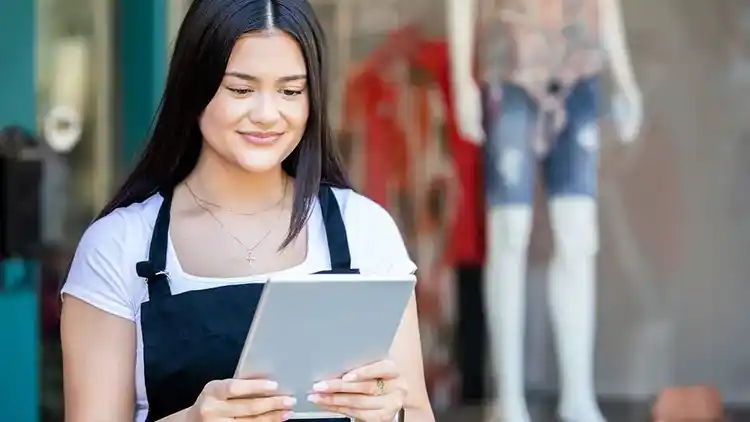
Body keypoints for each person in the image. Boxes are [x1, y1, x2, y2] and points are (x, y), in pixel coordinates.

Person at [59, 1, 435, 421]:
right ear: (193, 87)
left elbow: (415, 410)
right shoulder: (119, 245)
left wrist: (390, 411)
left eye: (291, 91)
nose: (267, 114)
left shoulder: (364, 230)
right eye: (241, 89)